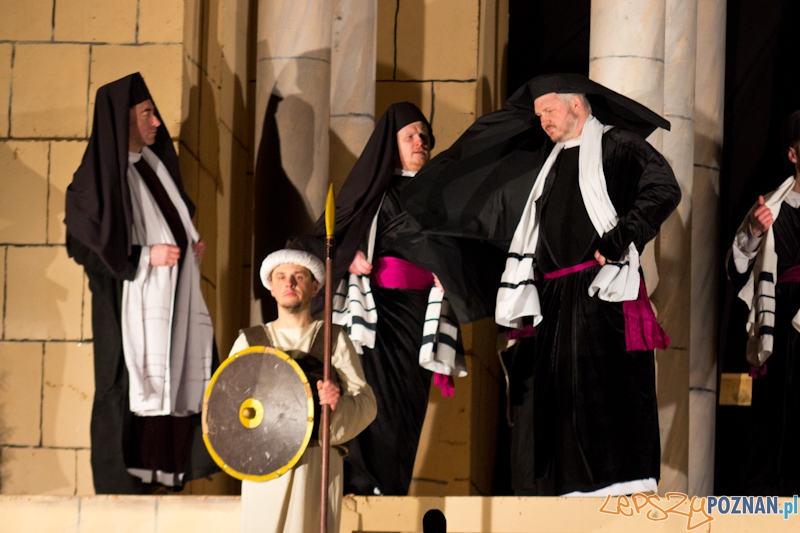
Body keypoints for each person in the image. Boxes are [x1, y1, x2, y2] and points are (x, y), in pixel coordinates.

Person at [400, 73, 681, 496]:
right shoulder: (547, 165)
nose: (543, 120)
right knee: (557, 407)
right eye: (539, 114)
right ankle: (569, 496)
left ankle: (622, 493)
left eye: (548, 110)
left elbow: (664, 187)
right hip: (553, 300)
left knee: (609, 397)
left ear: (576, 105)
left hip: (603, 291)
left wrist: (622, 236)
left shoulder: (618, 145)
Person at [292, 102, 465, 496]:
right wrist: (348, 255)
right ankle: (364, 482)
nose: (420, 141)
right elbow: (317, 241)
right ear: (392, 145)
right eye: (410, 135)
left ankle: (393, 487)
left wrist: (449, 271)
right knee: (377, 397)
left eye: (423, 134)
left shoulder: (442, 194)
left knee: (410, 403)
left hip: (421, 314)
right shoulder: (373, 192)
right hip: (379, 312)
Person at [64, 73, 217, 493]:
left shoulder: (153, 168)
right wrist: (145, 257)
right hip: (124, 303)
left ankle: (164, 478)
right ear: (122, 118)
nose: (157, 122)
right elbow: (82, 246)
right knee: (124, 387)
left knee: (176, 380)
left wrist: (188, 248)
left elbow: (170, 225)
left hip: (169, 302)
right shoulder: (97, 180)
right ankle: (125, 486)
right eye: (147, 113)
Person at [230, 249, 376, 533]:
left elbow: (366, 403)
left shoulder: (333, 339)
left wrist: (337, 405)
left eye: (298, 277)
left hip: (316, 464)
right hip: (264, 466)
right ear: (271, 287)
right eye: (281, 277)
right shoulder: (249, 342)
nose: (289, 283)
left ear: (315, 287)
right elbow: (226, 408)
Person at [727, 109, 800, 495]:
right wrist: (754, 233)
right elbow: (736, 269)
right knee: (775, 415)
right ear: (793, 154)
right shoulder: (771, 206)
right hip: (780, 323)